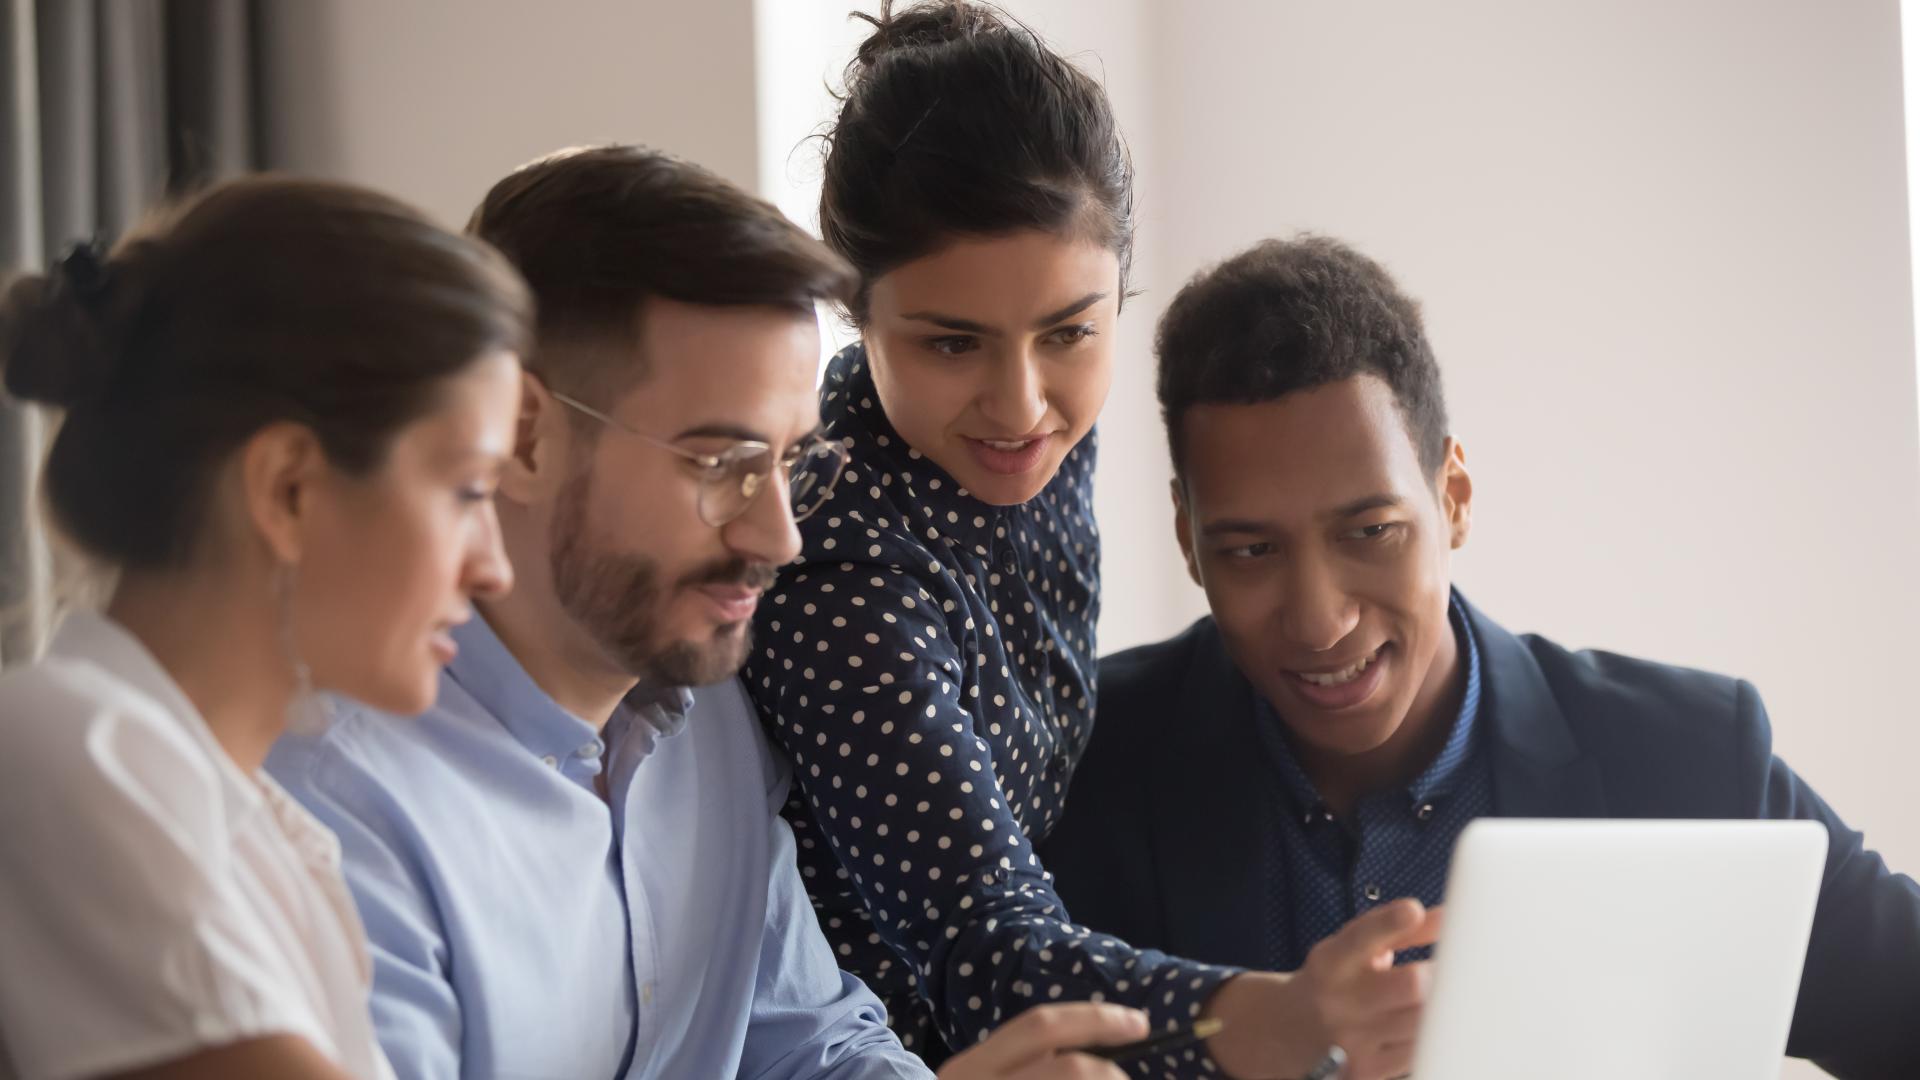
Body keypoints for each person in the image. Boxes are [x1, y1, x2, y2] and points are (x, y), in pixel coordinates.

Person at [266, 144, 1147, 1080]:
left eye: (793, 463)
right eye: (722, 466)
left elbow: (812, 1039)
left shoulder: (710, 718)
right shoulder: (332, 808)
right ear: (521, 437)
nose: (780, 537)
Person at [1039, 234, 1920, 1080]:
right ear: (1188, 541)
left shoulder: (1692, 758)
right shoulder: (1080, 767)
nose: (1318, 621)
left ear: (1453, 497)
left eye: (1371, 531)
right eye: (1250, 552)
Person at [743, 5, 1338, 1077]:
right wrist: (1265, 1017)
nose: (1021, 404)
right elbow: (988, 951)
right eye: (952, 342)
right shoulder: (837, 568)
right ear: (854, 310)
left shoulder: (1020, 447)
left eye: (1068, 330)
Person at [0, 176, 533, 1080]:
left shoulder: (274, 832)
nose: (494, 569)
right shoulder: (74, 748)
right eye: (468, 491)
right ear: (288, 487)